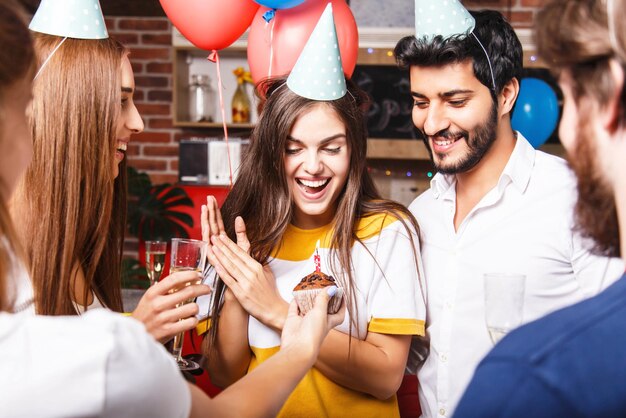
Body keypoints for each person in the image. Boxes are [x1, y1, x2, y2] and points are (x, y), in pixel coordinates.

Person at [0, 5, 343, 417]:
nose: (139, 122)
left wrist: (136, 334)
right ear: (61, 111)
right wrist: (301, 344)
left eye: (331, 147)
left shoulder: (83, 276)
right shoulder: (108, 346)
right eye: (122, 100)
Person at [394, 5, 624, 417]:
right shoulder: (419, 215)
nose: (431, 124)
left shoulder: (574, 199)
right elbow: (408, 357)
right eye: (420, 102)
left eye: (454, 100)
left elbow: (613, 348)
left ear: (505, 95)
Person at [197, 7, 426, 417]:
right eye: (294, 148)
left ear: (353, 151)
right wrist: (240, 285)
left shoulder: (388, 232)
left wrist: (274, 309)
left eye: (331, 148)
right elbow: (224, 375)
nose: (313, 166)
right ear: (273, 152)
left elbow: (387, 375)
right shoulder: (245, 233)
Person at [9, 5, 207, 342]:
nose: (138, 123)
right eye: (120, 102)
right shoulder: (9, 254)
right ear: (69, 110)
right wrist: (134, 337)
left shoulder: (70, 237)